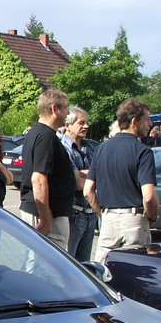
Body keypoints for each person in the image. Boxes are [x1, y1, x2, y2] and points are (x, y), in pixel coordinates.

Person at [84, 98, 159, 263]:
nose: (150, 124)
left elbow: (88, 191)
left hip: (108, 219)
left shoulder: (101, 149)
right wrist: (152, 217)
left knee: (102, 270)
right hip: (134, 220)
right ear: (134, 122)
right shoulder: (143, 152)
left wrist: (102, 214)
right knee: (134, 270)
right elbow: (148, 196)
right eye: (147, 119)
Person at [19, 89, 74, 250]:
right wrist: (45, 218)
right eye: (66, 107)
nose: (68, 112)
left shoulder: (38, 134)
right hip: (47, 215)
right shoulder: (46, 137)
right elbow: (38, 179)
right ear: (54, 109)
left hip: (45, 212)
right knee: (47, 262)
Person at [59, 106, 97, 261]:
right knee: (68, 263)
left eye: (87, 122)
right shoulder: (63, 148)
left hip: (91, 215)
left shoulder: (91, 148)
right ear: (68, 125)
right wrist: (93, 174)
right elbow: (78, 184)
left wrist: (84, 173)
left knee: (84, 267)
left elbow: (101, 175)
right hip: (73, 215)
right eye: (81, 123)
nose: (86, 126)